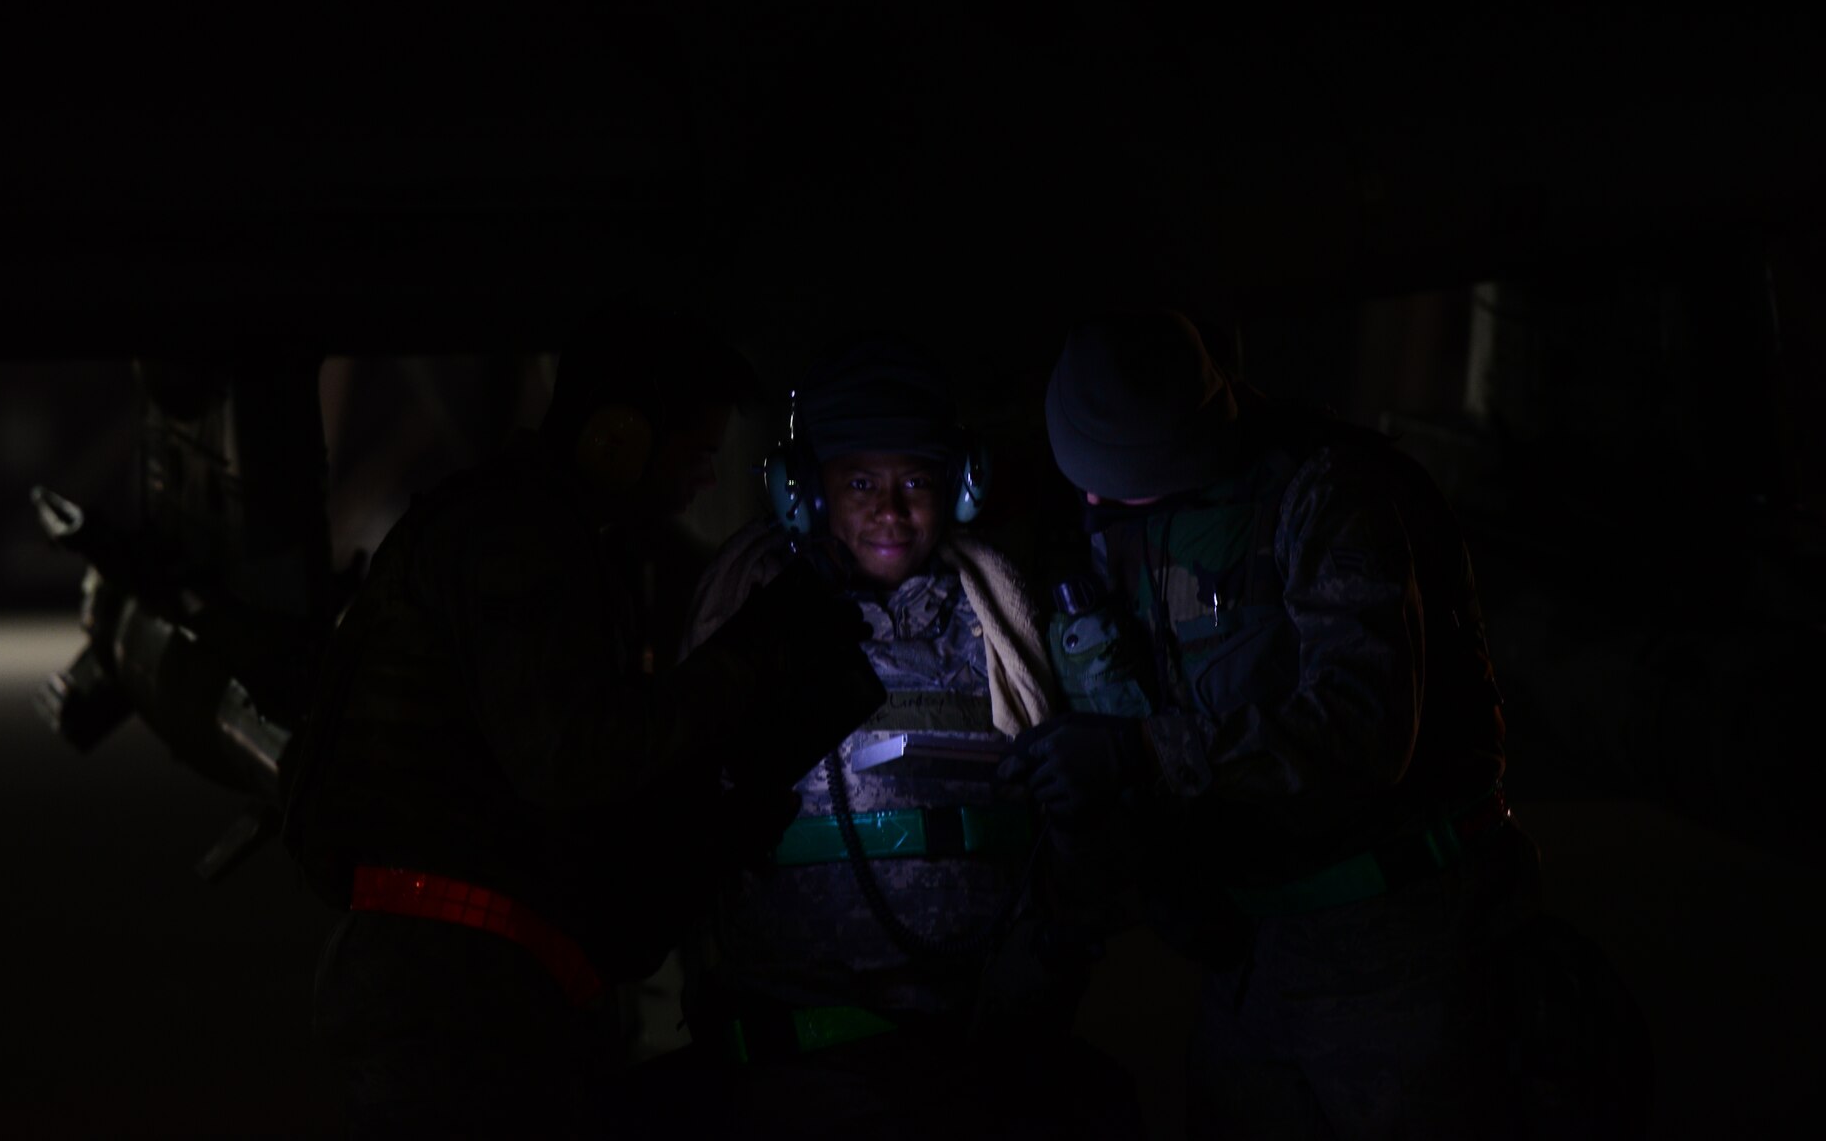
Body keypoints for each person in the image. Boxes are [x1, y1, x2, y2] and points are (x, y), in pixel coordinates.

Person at [281, 308, 890, 1140]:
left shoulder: (529, 530)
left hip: (465, 992)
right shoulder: (517, 537)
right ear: (616, 440)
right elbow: (571, 755)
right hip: (452, 1004)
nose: (707, 478)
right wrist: (750, 658)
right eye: (697, 452)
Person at [999, 310, 1545, 1140]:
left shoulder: (1328, 490)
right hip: (1253, 961)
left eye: (1126, 480)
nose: (1101, 499)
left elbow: (1362, 726)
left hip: (1403, 958)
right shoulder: (1119, 526)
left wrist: (1140, 756)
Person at [639, 332, 1146, 1140]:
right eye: (861, 481)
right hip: (793, 1072)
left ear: (959, 487)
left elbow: (1089, 836)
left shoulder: (1005, 625)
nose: (891, 508)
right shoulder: (746, 621)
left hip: (978, 1067)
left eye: (917, 480)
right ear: (804, 491)